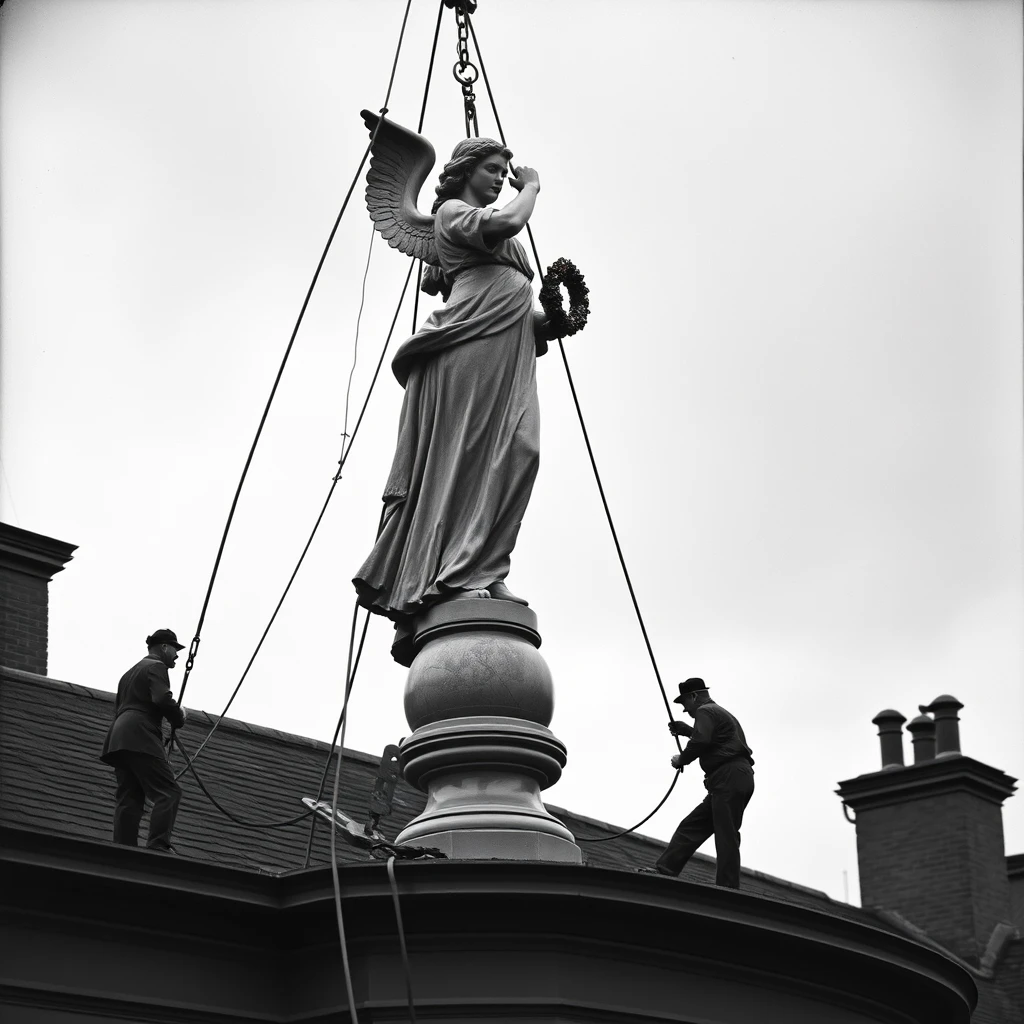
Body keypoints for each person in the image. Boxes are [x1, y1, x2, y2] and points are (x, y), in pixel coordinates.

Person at [353, 136, 548, 655]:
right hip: (467, 345)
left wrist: (553, 321)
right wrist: (530, 187)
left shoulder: (488, 232)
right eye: (491, 169)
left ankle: (485, 562)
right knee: (465, 454)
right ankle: (456, 572)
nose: (497, 179)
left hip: (507, 346)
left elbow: (508, 294)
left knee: (517, 451)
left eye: (503, 172)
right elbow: (507, 223)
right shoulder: (453, 214)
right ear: (464, 172)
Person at [652, 677, 755, 888]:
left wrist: (681, 759)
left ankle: (728, 889)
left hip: (728, 777)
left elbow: (702, 741)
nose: (685, 710)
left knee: (726, 833)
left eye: (684, 704)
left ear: (694, 696)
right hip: (731, 778)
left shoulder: (705, 711)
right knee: (693, 825)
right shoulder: (719, 713)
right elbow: (717, 740)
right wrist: (688, 730)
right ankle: (665, 869)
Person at [100, 629, 188, 852]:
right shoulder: (156, 666)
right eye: (175, 649)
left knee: (130, 796)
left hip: (119, 738)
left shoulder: (128, 674)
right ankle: (158, 848)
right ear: (164, 648)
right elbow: (161, 698)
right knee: (169, 792)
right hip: (140, 735)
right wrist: (179, 716)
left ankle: (123, 850)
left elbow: (123, 707)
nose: (177, 655)